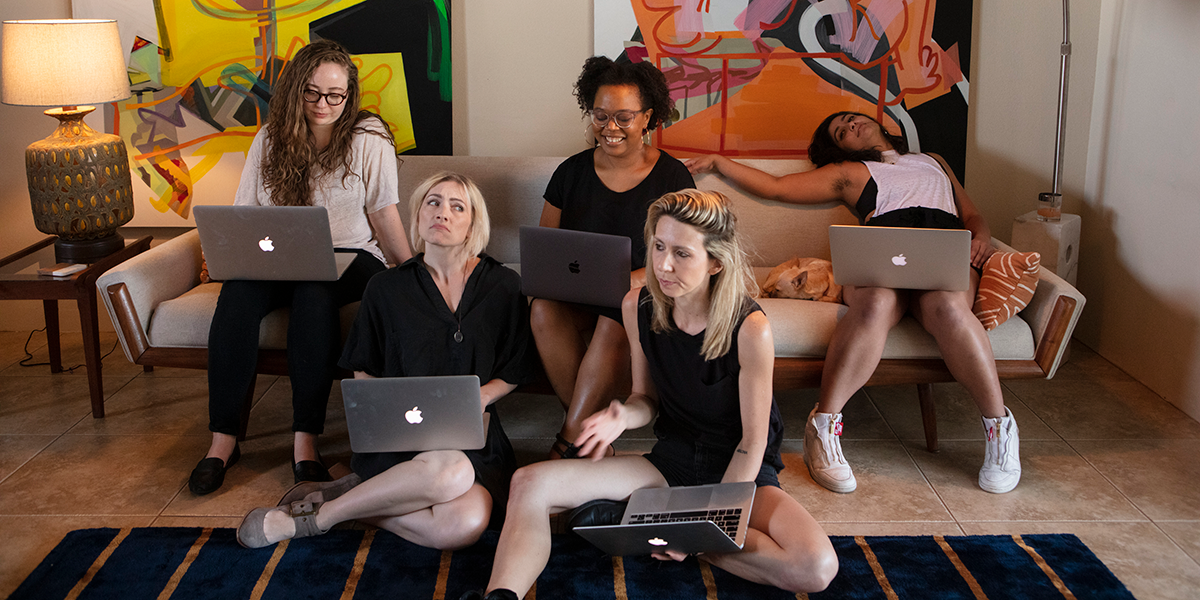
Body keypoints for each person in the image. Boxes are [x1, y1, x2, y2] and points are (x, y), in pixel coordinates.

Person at [462, 190, 839, 600]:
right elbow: (646, 399)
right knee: (529, 483)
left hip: (739, 472)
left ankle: (655, 528)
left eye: (681, 253)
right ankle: (501, 595)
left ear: (715, 261)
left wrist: (701, 528)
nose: (662, 265)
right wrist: (622, 415)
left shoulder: (750, 328)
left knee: (816, 567)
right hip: (671, 465)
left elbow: (752, 443)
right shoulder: (637, 306)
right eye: (658, 246)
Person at [685, 111, 1021, 494]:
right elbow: (777, 187)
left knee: (949, 309)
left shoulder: (934, 161)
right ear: (839, 149)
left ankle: (999, 430)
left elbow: (973, 214)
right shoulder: (849, 172)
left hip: (941, 256)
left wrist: (979, 238)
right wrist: (718, 163)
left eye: (849, 120)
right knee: (874, 304)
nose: (849, 127)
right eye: (840, 133)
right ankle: (824, 426)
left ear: (875, 120)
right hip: (880, 260)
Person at [236, 172, 536, 550]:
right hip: (402, 434)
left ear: (473, 223)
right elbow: (365, 370)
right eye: (433, 202)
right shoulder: (386, 286)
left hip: (472, 434)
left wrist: (482, 397)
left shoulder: (503, 284)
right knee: (453, 473)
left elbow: (515, 367)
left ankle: (344, 503)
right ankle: (309, 522)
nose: (442, 212)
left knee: (466, 524)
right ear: (418, 216)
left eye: (457, 206)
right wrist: (385, 416)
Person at [188, 39, 413, 496]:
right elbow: (244, 212)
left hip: (352, 257)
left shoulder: (369, 138)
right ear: (295, 90)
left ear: (349, 95)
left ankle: (305, 445)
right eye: (312, 93)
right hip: (279, 260)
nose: (323, 105)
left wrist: (413, 276)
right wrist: (226, 254)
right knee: (236, 297)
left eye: (336, 95)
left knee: (315, 295)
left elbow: (384, 214)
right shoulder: (269, 138)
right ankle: (222, 443)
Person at [534, 56, 695, 460]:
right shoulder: (570, 173)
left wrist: (630, 279)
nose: (610, 128)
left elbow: (684, 253)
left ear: (648, 118)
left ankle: (571, 439)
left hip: (641, 291)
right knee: (541, 309)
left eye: (624, 117)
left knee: (616, 315)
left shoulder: (673, 178)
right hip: (579, 291)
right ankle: (595, 438)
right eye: (601, 116)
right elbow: (544, 247)